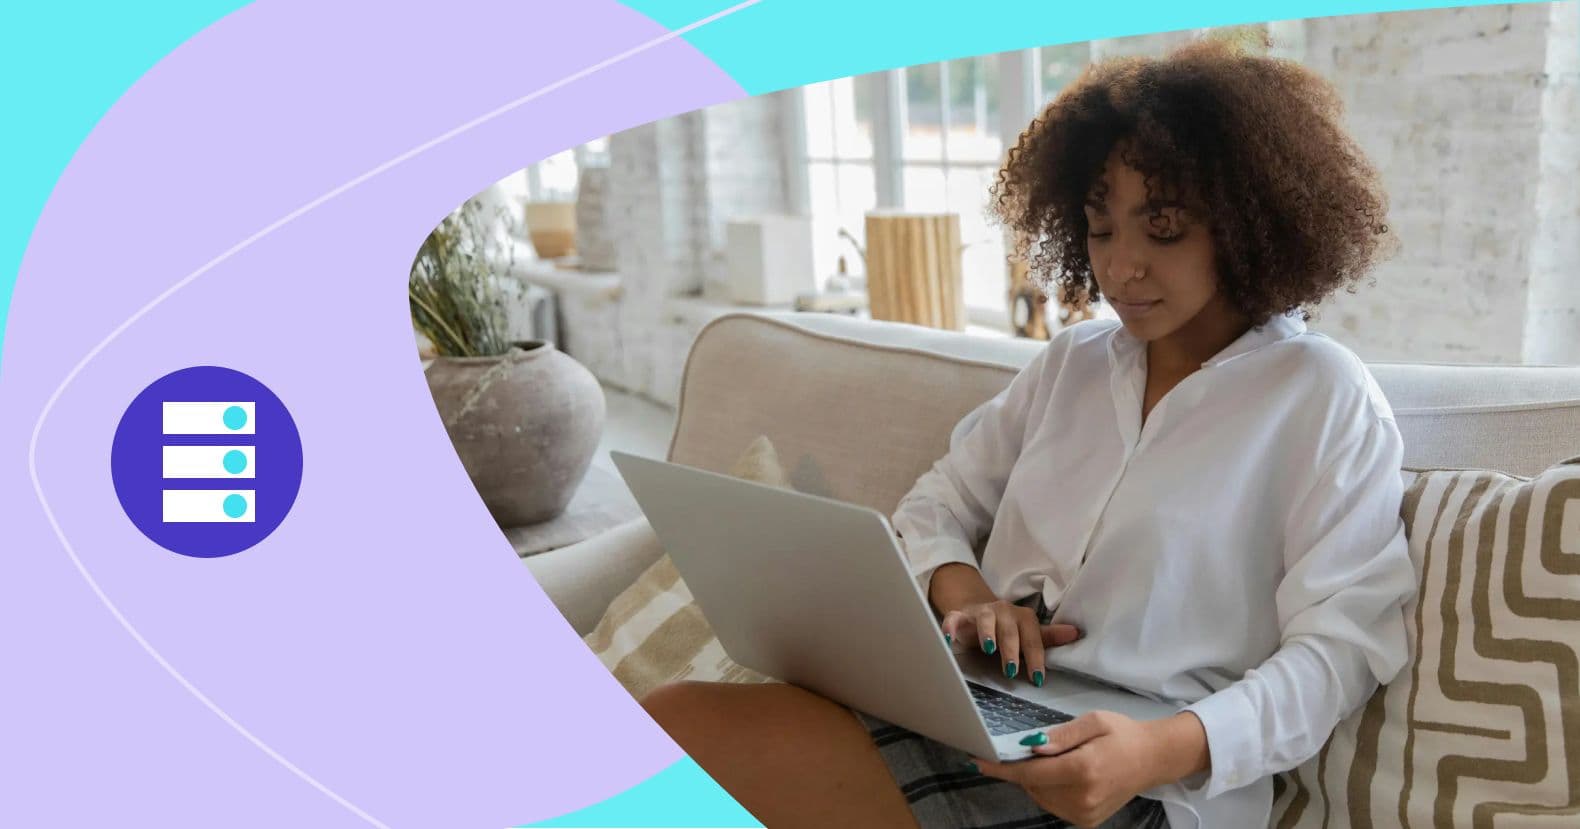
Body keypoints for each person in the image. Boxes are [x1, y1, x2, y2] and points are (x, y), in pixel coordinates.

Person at [641, 34, 1417, 829]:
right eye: (1101, 226)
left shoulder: (1320, 395)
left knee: (679, 742)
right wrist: (967, 595)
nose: (1122, 268)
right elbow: (936, 503)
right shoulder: (1072, 363)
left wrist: (1158, 749)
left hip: (1138, 781)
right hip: (972, 708)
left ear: (1250, 224)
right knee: (671, 718)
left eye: (1164, 227)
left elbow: (1341, 650)